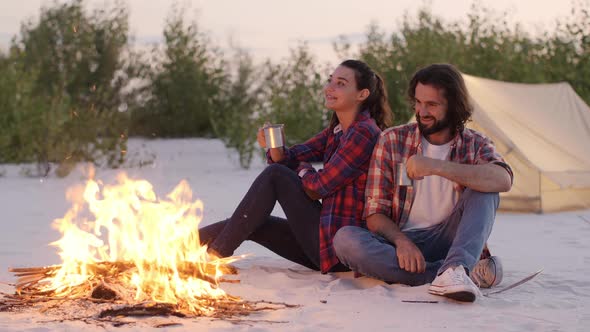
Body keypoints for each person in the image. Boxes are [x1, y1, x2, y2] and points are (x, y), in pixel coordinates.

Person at [332, 63, 513, 302]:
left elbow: (503, 179)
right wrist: (402, 242)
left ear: (453, 105)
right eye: (418, 102)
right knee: (345, 240)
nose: (422, 111)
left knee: (487, 189)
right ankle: (451, 274)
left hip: (452, 239)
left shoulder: (475, 143)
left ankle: (456, 268)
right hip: (402, 245)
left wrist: (435, 166)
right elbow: (374, 214)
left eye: (432, 104)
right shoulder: (392, 140)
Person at [199, 59, 393, 274]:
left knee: (275, 175)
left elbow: (318, 186)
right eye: (330, 81)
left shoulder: (363, 133)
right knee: (253, 222)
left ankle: (215, 256)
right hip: (322, 240)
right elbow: (290, 157)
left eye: (341, 83)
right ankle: (176, 247)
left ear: (362, 94)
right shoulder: (337, 131)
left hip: (340, 250)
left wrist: (299, 168)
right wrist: (275, 146)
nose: (330, 88)